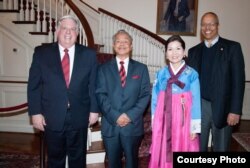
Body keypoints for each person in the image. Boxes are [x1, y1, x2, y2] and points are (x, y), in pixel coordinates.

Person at [27, 15, 99, 168]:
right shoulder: (41, 53)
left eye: (72, 29)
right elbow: (33, 86)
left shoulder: (89, 55)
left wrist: (94, 110)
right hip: (51, 116)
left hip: (80, 115)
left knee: (78, 160)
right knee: (55, 159)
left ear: (77, 33)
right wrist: (35, 113)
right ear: (58, 31)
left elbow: (93, 85)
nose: (68, 32)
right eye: (65, 28)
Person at [186, 12, 245, 152]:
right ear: (201, 27)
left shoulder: (233, 48)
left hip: (224, 108)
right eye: (204, 24)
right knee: (197, 148)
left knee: (222, 149)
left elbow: (238, 82)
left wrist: (235, 111)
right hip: (199, 107)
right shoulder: (193, 51)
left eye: (211, 23)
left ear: (217, 26)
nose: (208, 27)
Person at [95, 30, 151, 168]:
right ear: (113, 46)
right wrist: (116, 116)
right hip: (111, 125)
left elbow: (145, 95)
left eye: (125, 41)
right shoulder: (103, 69)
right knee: (113, 163)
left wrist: (129, 116)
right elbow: (100, 94)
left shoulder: (141, 69)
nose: (122, 44)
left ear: (131, 46)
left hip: (132, 126)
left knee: (132, 163)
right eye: (118, 41)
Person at [149, 35, 201, 168]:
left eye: (178, 48)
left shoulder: (192, 74)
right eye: (170, 49)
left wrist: (194, 126)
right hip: (164, 117)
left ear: (184, 52)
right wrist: (155, 121)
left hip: (184, 118)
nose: (174, 53)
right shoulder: (161, 74)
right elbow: (155, 98)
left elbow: (196, 100)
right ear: (166, 54)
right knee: (164, 146)